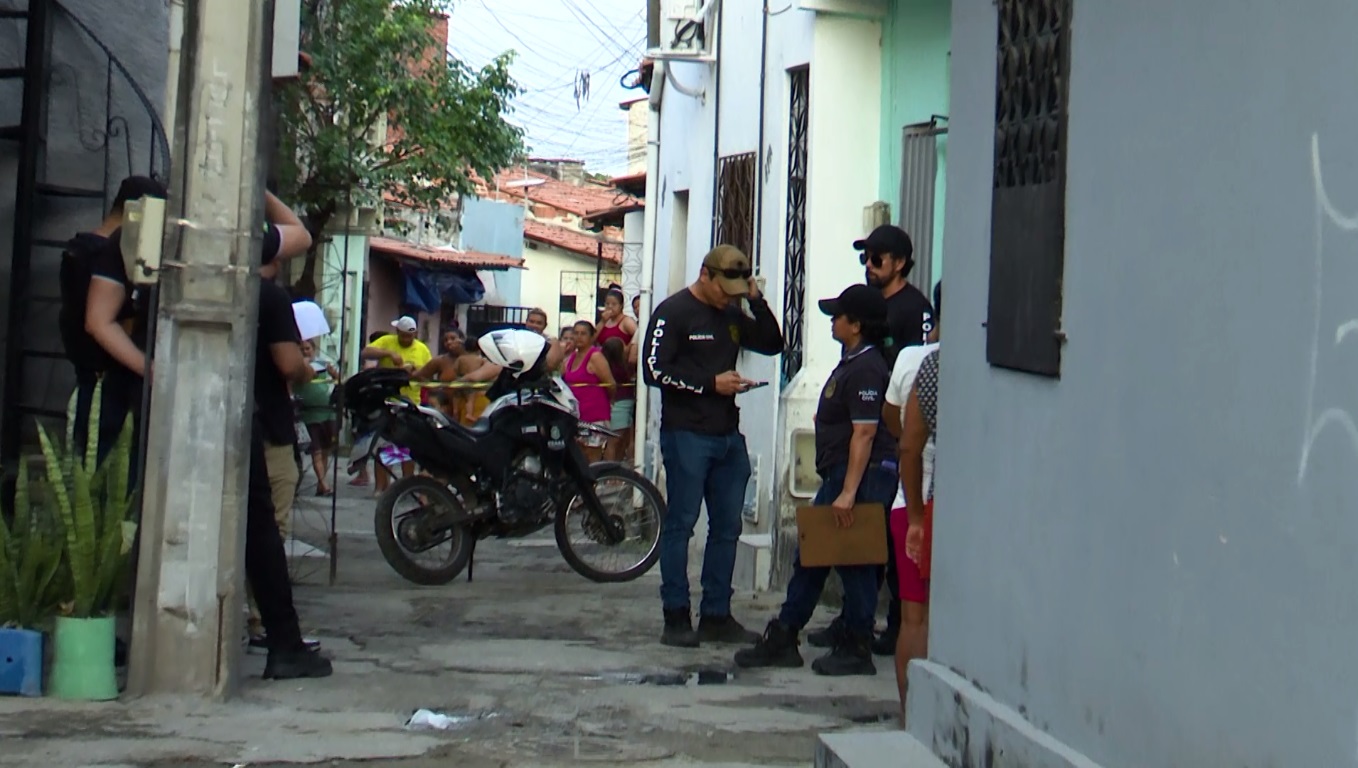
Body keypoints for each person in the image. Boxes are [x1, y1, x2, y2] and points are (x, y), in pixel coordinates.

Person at [733, 285, 897, 676]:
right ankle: (786, 635)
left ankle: (855, 644)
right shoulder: (853, 362)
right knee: (813, 554)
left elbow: (865, 433)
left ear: (856, 325)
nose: (833, 322)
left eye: (839, 316)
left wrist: (848, 493)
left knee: (853, 560)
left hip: (858, 477)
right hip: (841, 475)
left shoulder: (867, 368)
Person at [642, 245, 784, 648]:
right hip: (686, 433)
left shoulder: (734, 312)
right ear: (705, 275)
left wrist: (756, 300)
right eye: (725, 289)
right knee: (682, 523)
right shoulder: (673, 312)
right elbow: (654, 371)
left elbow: (773, 343)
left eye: (736, 291)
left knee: (728, 527)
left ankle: (717, 614)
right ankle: (676, 615)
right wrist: (710, 384)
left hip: (727, 434)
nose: (729, 297)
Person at [807, 224, 935, 656]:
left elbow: (917, 370)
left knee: (884, 542)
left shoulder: (914, 308)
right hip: (869, 428)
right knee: (855, 544)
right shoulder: (867, 308)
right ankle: (851, 622)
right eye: (865, 258)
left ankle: (892, 627)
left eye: (877, 258)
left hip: (895, 438)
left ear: (899, 262)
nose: (869, 265)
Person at [62, 175, 166, 458]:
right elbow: (101, 322)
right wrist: (152, 369)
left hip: (89, 376)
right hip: (108, 383)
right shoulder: (105, 255)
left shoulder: (78, 249)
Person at [895, 282, 941, 724]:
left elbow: (905, 442)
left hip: (929, 504)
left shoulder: (928, 365)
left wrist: (914, 515)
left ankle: (914, 718)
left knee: (916, 617)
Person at [360, 316, 432, 491]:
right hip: (386, 401)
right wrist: (388, 353)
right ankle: (381, 488)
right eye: (402, 336)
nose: (406, 339)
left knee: (408, 447)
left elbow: (429, 374)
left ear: (415, 333)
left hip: (410, 402)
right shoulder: (387, 341)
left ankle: (406, 487)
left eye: (410, 336)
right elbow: (365, 352)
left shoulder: (422, 349)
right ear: (397, 332)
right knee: (385, 446)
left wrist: (415, 372)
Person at [563, 320, 615, 462]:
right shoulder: (570, 358)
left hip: (594, 415)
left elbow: (610, 384)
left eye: (583, 334)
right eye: (576, 333)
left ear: (592, 337)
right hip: (576, 417)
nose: (579, 337)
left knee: (592, 459)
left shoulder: (595, 356)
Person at [297, 339, 340, 497]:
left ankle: (321, 483)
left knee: (325, 450)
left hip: (327, 412)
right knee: (316, 450)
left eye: (307, 348)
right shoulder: (298, 367)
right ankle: (324, 484)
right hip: (310, 414)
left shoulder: (322, 364)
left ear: (313, 349)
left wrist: (334, 373)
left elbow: (338, 380)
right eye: (301, 349)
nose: (305, 351)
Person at [600, 336, 636, 462]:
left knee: (617, 440)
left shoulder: (605, 366)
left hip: (616, 403)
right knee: (614, 441)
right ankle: (612, 471)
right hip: (621, 403)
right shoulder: (622, 368)